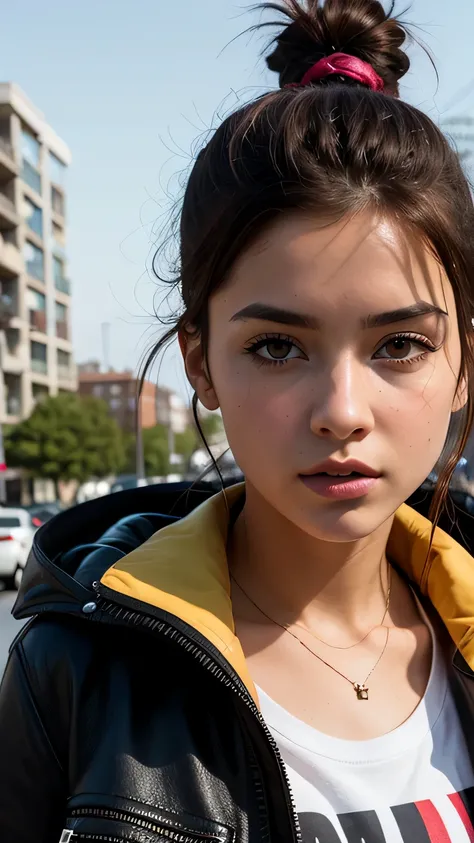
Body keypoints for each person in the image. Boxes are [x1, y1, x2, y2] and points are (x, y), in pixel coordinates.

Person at [1, 1, 474, 841]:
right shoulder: (75, 674)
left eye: (399, 343)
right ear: (199, 360)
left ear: (463, 363)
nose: (341, 412)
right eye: (277, 347)